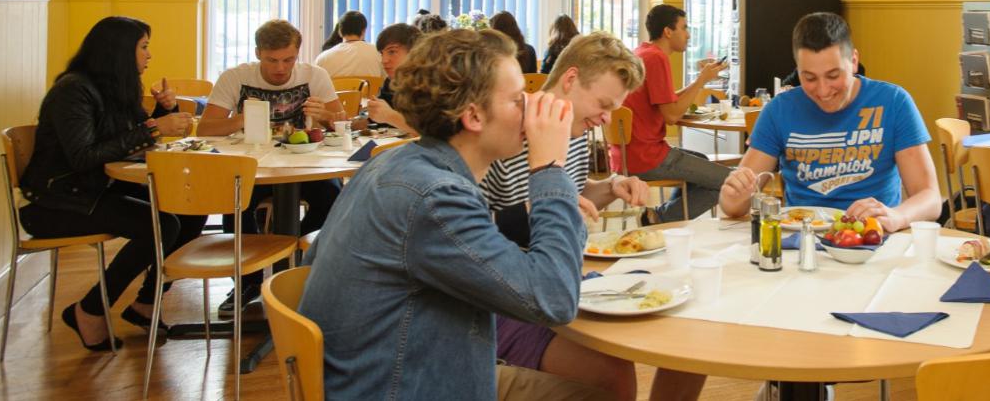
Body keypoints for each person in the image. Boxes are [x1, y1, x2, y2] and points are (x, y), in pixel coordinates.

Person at [299, 28, 598, 401]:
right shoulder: (435, 196)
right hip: (397, 385)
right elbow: (553, 299)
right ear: (473, 115)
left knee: (598, 382)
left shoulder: (393, 162)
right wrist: (550, 169)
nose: (530, 109)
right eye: (518, 99)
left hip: (385, 368)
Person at [479, 32, 707, 401]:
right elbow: (474, 226)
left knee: (685, 329)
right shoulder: (503, 130)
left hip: (564, 274)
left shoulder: (574, 131)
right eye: (603, 103)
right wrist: (546, 206)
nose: (605, 117)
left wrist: (611, 186)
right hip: (506, 292)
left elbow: (570, 194)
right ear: (570, 80)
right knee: (611, 375)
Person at [19, 17, 202, 348]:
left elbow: (132, 135)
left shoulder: (114, 87)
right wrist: (153, 129)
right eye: (143, 47)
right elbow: (84, 156)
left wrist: (165, 111)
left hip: (94, 189)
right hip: (57, 201)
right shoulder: (73, 91)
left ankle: (145, 303)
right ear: (120, 51)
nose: (149, 56)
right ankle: (89, 310)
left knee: (192, 202)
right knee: (159, 225)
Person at [719, 12, 942, 233]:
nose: (823, 91)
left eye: (834, 76)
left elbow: (930, 198)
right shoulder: (779, 110)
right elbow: (733, 207)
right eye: (809, 78)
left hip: (871, 237)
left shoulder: (893, 102)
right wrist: (733, 195)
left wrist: (898, 216)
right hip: (802, 240)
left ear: (854, 62)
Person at [197, 18, 346, 315]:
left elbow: (343, 124)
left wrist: (328, 118)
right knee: (236, 204)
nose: (280, 68)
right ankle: (247, 281)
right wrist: (241, 118)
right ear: (257, 53)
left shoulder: (314, 75)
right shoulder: (236, 77)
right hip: (255, 167)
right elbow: (204, 130)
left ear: (298, 54)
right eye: (272, 60)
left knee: (333, 198)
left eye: (288, 59)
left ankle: (289, 257)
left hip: (302, 165)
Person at [613, 3, 731, 222]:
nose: (687, 35)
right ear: (668, 31)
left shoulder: (642, 53)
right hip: (646, 157)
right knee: (727, 181)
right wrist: (701, 80)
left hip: (626, 155)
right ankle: (659, 218)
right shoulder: (657, 58)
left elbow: (666, 101)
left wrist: (700, 79)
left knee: (701, 160)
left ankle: (668, 217)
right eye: (684, 28)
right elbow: (672, 116)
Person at [362, 22, 418, 133]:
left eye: (392, 52)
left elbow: (432, 134)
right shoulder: (391, 82)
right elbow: (376, 120)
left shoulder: (431, 84)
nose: (384, 60)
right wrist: (345, 125)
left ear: (414, 52)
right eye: (382, 54)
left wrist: (390, 116)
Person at [314, 9, 387, 78]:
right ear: (363, 31)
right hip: (371, 91)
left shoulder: (322, 59)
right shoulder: (378, 54)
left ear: (340, 32)